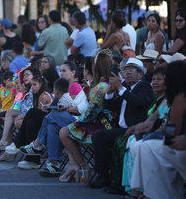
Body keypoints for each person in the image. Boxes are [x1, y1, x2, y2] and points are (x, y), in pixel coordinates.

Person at [88, 57, 154, 189]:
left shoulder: (144, 86)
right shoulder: (126, 88)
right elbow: (111, 105)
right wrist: (111, 92)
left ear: (140, 74)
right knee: (98, 135)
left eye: (131, 71)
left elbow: (138, 101)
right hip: (121, 127)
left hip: (134, 129)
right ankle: (103, 173)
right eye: (125, 71)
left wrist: (120, 88)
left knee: (100, 136)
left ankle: (104, 175)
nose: (127, 74)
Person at [130, 61, 186, 199]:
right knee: (146, 147)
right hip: (177, 141)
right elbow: (171, 132)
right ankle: (159, 196)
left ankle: (169, 197)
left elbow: (171, 133)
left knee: (158, 148)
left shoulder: (180, 97)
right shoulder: (176, 98)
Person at [59, 49, 112, 183]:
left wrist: (77, 123)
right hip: (95, 120)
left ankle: (83, 166)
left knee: (64, 131)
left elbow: (91, 111)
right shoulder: (99, 85)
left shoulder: (101, 86)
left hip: (103, 124)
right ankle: (79, 166)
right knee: (62, 128)